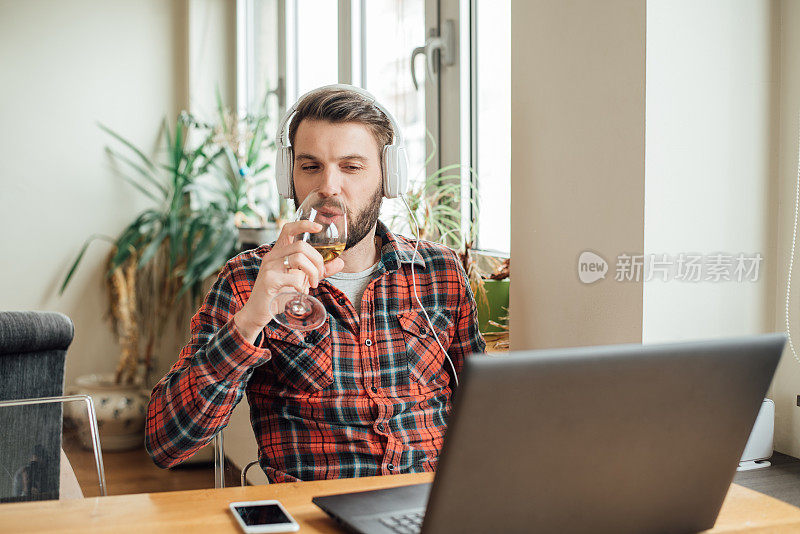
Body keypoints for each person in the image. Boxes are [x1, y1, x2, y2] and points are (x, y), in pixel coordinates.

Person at [145, 85, 485, 483]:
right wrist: (252, 320)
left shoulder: (437, 271)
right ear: (289, 178)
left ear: (388, 178)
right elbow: (165, 442)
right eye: (311, 167)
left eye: (351, 167)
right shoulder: (248, 281)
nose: (328, 186)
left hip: (429, 506)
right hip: (317, 513)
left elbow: (480, 412)